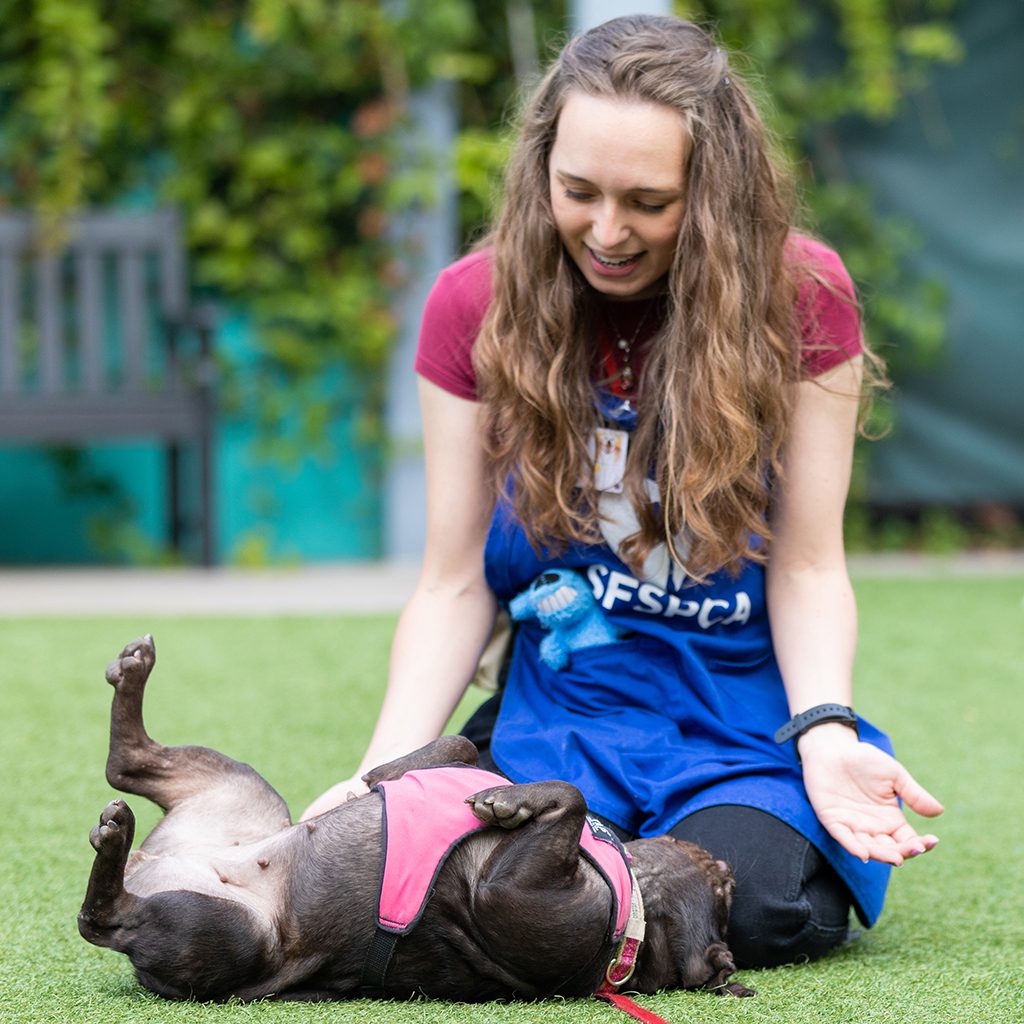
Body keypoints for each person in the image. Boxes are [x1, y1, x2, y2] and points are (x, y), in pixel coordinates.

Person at [303, 14, 943, 969]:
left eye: (650, 201)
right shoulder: (472, 304)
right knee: (446, 891)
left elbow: (808, 565)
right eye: (578, 192)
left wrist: (823, 732)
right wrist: (381, 775)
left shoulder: (803, 296)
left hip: (739, 726)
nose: (607, 231)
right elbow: (453, 581)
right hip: (560, 722)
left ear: (717, 194)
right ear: (543, 172)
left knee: (752, 905)